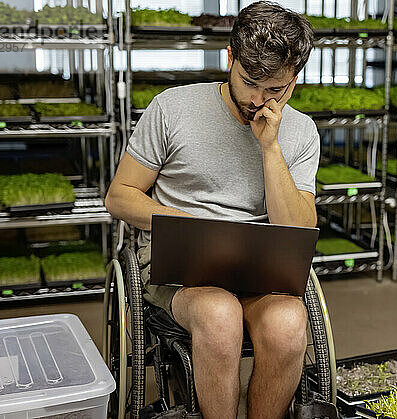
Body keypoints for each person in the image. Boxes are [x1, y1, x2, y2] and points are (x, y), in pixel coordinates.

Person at [105, 2, 319, 417]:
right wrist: (190, 226)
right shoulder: (172, 109)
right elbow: (120, 195)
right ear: (230, 58)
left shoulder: (301, 132)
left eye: (274, 89)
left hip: (260, 271)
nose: (258, 100)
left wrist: (270, 148)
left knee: (290, 324)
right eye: (249, 82)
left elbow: (297, 228)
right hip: (180, 269)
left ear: (294, 80)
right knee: (220, 315)